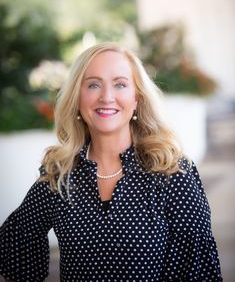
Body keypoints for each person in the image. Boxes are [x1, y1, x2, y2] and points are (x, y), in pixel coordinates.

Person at [0, 42, 222, 282]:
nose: (107, 97)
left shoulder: (172, 173)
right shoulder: (60, 176)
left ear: (137, 99)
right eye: (94, 85)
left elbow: (198, 273)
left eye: (120, 84)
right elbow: (16, 250)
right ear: (77, 98)